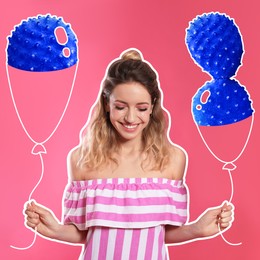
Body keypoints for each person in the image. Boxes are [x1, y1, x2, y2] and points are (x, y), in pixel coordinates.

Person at [25, 48, 234, 260]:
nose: (130, 118)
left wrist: (197, 229)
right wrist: (53, 229)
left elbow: (161, 232)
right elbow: (84, 231)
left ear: (153, 106)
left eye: (141, 108)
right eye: (121, 107)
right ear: (107, 104)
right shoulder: (81, 160)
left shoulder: (173, 159)